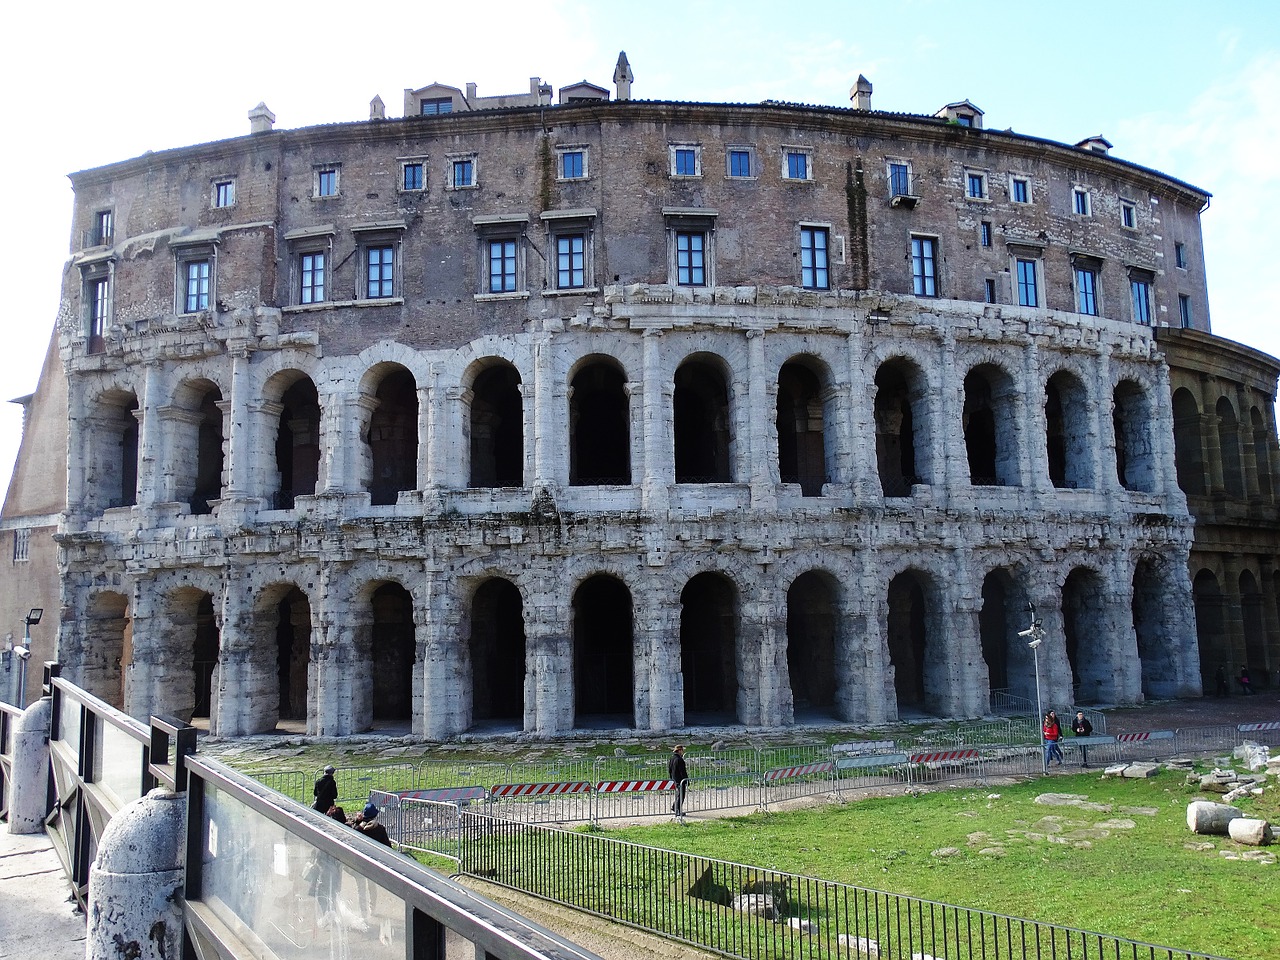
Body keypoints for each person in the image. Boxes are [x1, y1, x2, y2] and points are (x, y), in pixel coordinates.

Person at [668, 745, 688, 817]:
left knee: (678, 794)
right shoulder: (680, 760)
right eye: (682, 750)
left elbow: (669, 769)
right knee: (681, 795)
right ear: (679, 751)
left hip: (674, 779)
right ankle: (678, 810)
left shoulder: (672, 758)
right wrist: (686, 780)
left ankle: (674, 807)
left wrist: (671, 778)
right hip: (680, 780)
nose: (683, 752)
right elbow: (683, 772)